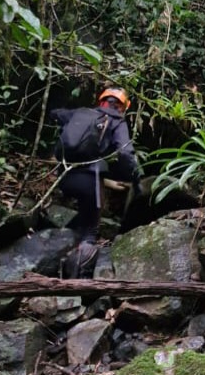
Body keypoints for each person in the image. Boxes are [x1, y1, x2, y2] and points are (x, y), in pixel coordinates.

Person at [51, 86, 141, 276]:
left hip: (63, 178)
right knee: (90, 233)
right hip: (90, 182)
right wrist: (135, 178)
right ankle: (78, 282)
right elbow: (125, 153)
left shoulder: (80, 113)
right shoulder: (117, 121)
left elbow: (55, 114)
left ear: (101, 101)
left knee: (81, 217)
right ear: (123, 107)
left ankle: (60, 253)